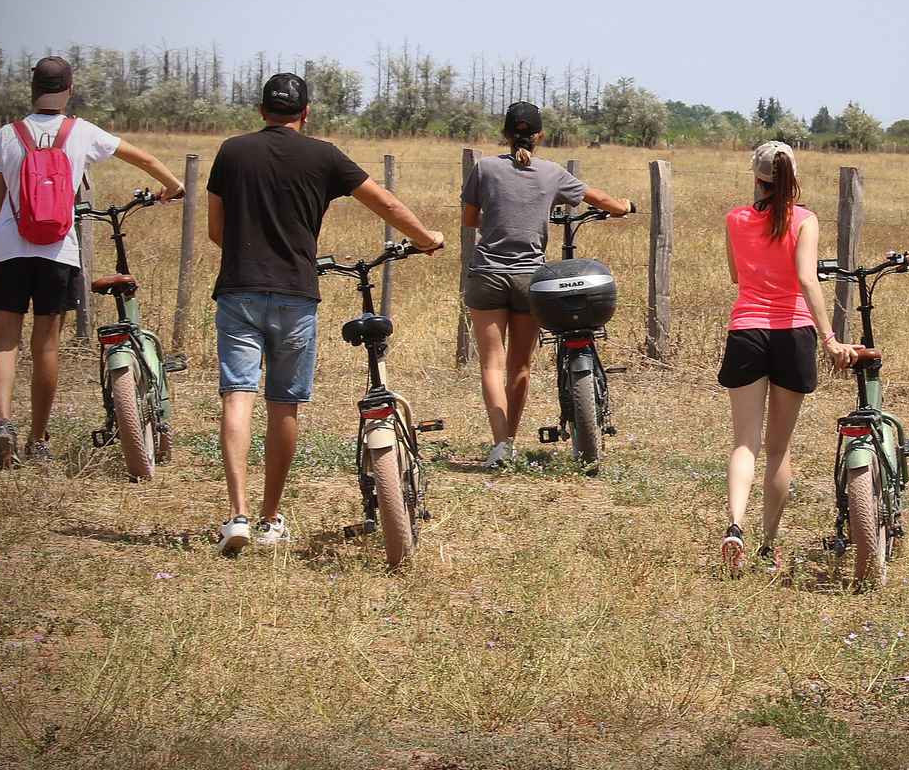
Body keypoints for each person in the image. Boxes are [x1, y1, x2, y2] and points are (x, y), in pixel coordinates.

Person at [207, 73, 443, 556]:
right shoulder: (324, 155)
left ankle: (237, 515)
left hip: (239, 290)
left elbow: (217, 231)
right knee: (284, 405)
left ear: (260, 110)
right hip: (296, 293)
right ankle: (271, 518)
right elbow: (386, 202)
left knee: (237, 398)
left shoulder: (231, 151)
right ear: (306, 112)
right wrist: (425, 239)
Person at [0, 56, 184, 469]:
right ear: (69, 89)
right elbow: (142, 158)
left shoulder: (7, 135)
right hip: (58, 252)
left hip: (9, 251)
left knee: (5, 341)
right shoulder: (81, 132)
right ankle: (38, 439)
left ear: (32, 89)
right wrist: (173, 185)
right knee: (46, 346)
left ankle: (4, 424)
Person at [461, 102, 633, 468]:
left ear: (505, 135)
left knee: (491, 364)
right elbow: (599, 199)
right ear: (539, 136)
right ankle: (511, 437)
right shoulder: (552, 173)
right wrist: (622, 206)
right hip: (530, 280)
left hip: (487, 274)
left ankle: (500, 446)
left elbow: (469, 219)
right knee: (519, 367)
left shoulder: (485, 168)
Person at [718, 141, 858, 574]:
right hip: (793, 335)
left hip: (746, 331)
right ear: (792, 178)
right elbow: (806, 279)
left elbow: (736, 276)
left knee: (745, 443)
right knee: (779, 449)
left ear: (756, 178)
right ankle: (767, 548)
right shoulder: (805, 220)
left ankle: (735, 526)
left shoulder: (736, 220)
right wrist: (831, 338)